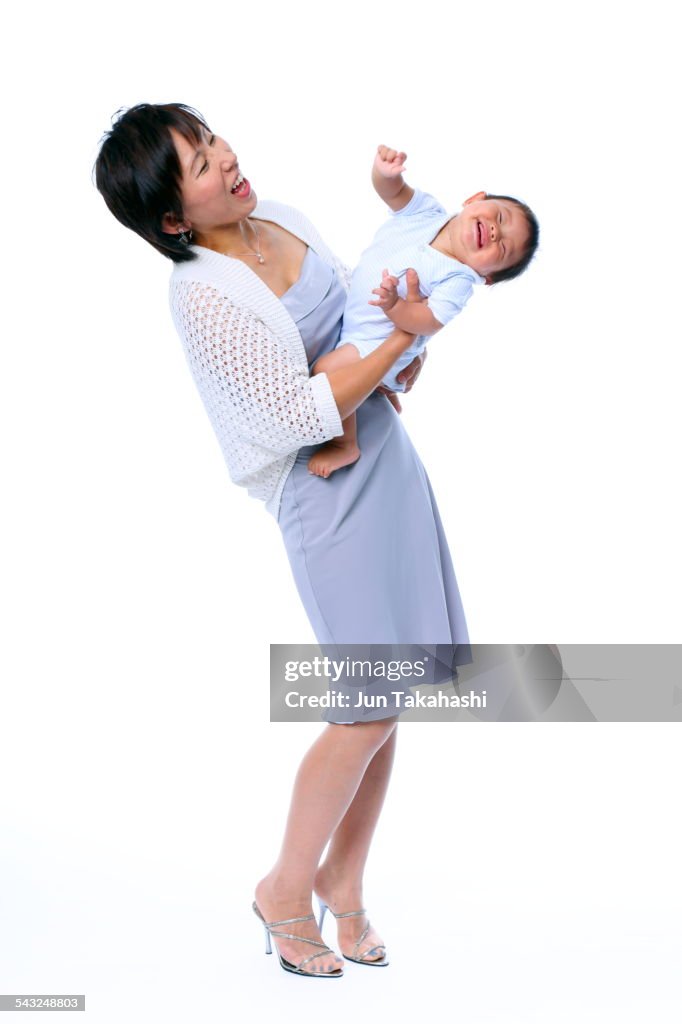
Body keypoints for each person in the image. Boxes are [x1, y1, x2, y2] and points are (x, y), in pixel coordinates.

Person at [94, 103, 471, 978]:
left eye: (214, 139)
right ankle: (285, 888)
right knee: (364, 700)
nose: (226, 159)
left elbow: (361, 334)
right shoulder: (200, 293)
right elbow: (300, 413)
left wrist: (406, 340)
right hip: (323, 493)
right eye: (199, 163)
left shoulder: (286, 217)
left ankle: (345, 884)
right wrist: (397, 346)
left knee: (396, 689)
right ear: (172, 217)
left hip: (389, 462)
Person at [307, 144, 539, 478]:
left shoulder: (458, 278)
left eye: (502, 247)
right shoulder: (428, 212)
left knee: (326, 370)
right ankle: (368, 395)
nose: (493, 231)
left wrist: (396, 306)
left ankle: (345, 444)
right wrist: (384, 174)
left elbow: (428, 322)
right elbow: (395, 193)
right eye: (499, 217)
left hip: (377, 340)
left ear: (486, 278)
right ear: (476, 198)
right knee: (336, 367)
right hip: (357, 322)